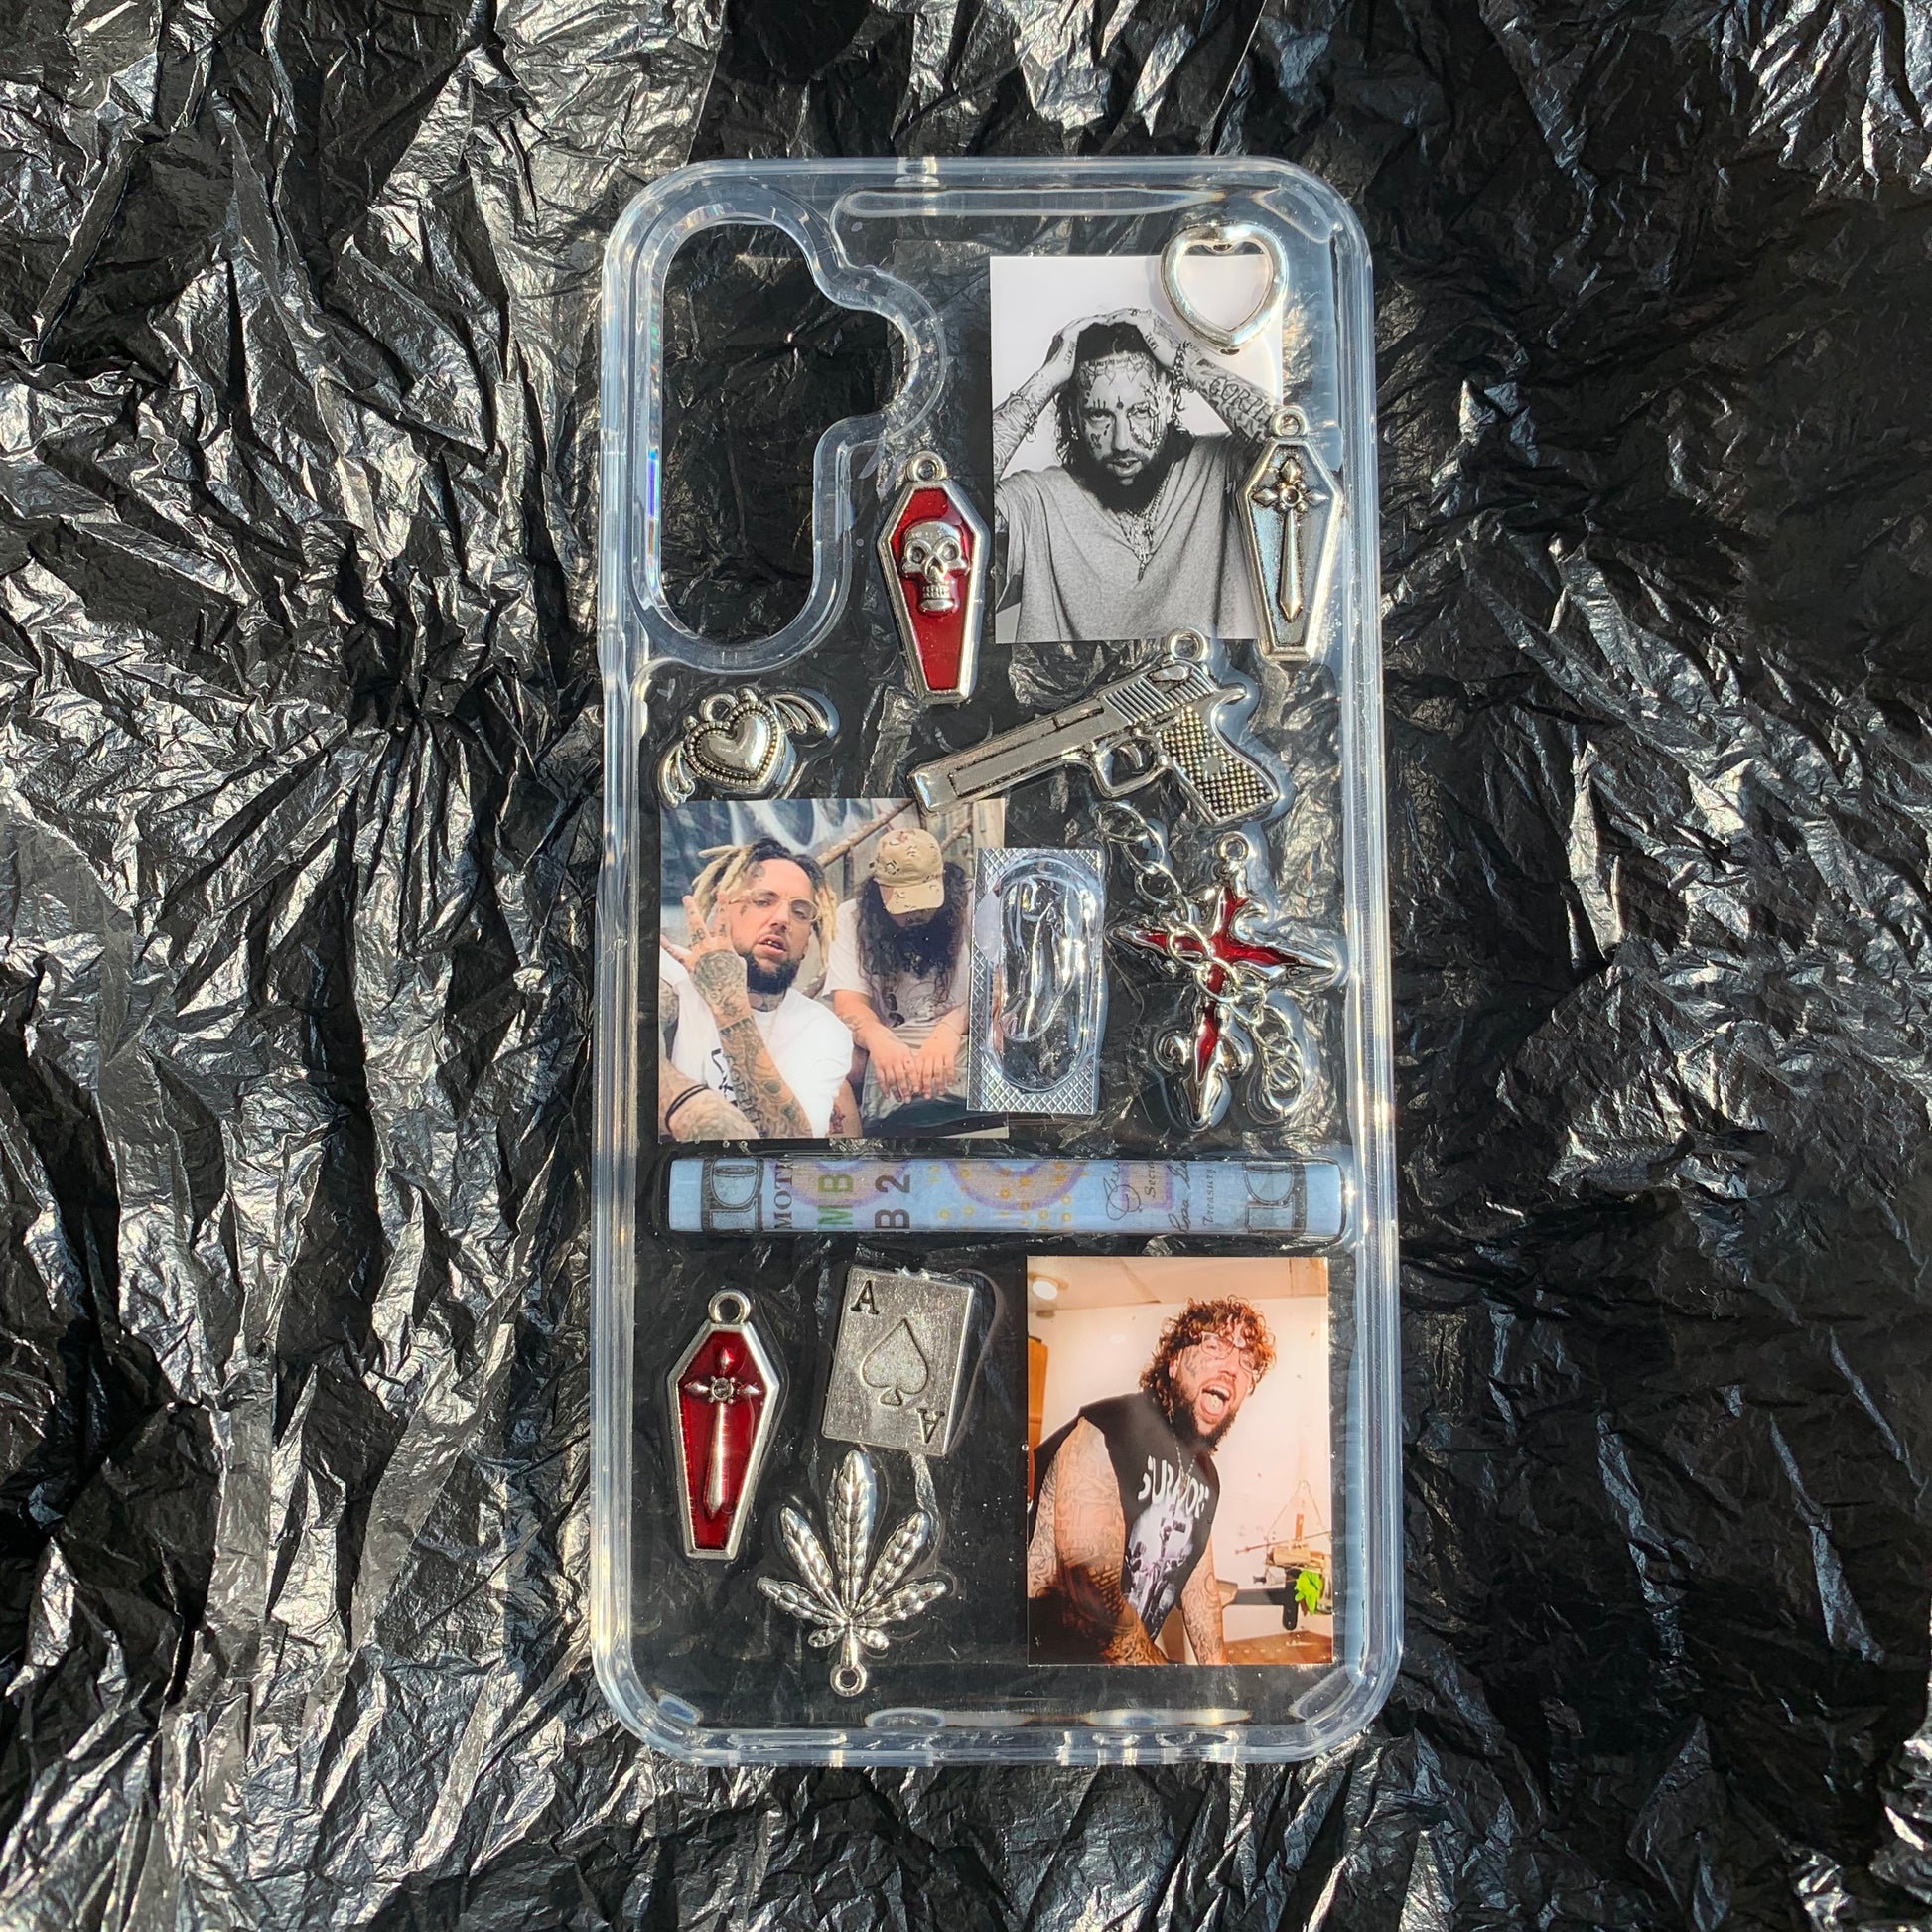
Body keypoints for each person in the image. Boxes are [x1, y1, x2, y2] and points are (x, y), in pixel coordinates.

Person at [991, 307, 1276, 644]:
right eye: (1099, 416)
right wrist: (1047, 379)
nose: (1122, 442)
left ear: (1168, 400)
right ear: (1075, 416)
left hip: (1212, 678)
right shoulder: (1037, 502)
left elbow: (1292, 449)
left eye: (1140, 411)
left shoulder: (1220, 470)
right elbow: (957, 503)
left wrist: (1187, 363)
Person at [1026, 1298, 1277, 1664]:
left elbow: (1200, 1588)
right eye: (1216, 1346)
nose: (1232, 1369)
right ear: (1173, 1363)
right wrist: (1165, 1680)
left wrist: (1220, 1678)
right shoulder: (1107, 1430)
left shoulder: (1205, 1476)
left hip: (1120, 1681)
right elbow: (1095, 1602)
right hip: (1044, 1672)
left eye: (1247, 1362)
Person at [657, 836, 857, 1140]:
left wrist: (730, 1004)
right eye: (763, 901)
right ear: (723, 911)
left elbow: (792, 1143)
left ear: (807, 944)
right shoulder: (672, 976)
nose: (782, 919)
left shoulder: (825, 1031)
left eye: (800, 912)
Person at [822, 826, 971, 1133]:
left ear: (942, 879)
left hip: (965, 1032)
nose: (916, 913)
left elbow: (1002, 986)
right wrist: (878, 1037)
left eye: (924, 900)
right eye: (904, 903)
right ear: (879, 889)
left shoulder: (971, 902)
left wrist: (951, 1027)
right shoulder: (852, 918)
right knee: (834, 1060)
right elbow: (849, 1004)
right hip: (895, 1041)